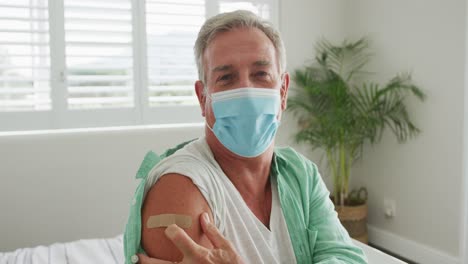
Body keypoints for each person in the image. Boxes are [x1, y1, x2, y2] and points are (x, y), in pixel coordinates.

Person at [124, 10, 368, 264]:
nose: (247, 92)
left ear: (283, 91)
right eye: (226, 78)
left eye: (261, 74)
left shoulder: (301, 175)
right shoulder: (181, 186)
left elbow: (344, 256)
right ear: (202, 97)